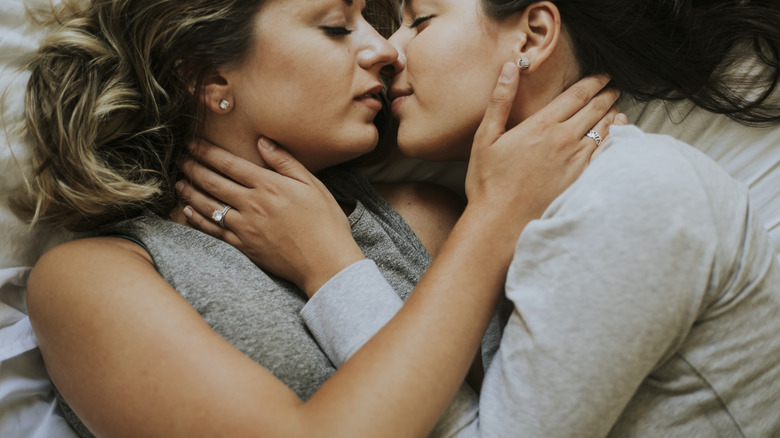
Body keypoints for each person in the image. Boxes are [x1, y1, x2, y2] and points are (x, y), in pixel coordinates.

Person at [13, 0, 621, 436]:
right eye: (335, 27)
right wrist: (495, 219)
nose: (385, 50)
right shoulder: (88, 280)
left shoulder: (426, 215)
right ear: (207, 74)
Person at [178, 0, 780, 436]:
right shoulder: (560, 210)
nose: (391, 51)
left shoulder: (633, 196)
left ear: (532, 34)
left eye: (421, 20)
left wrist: (332, 267)